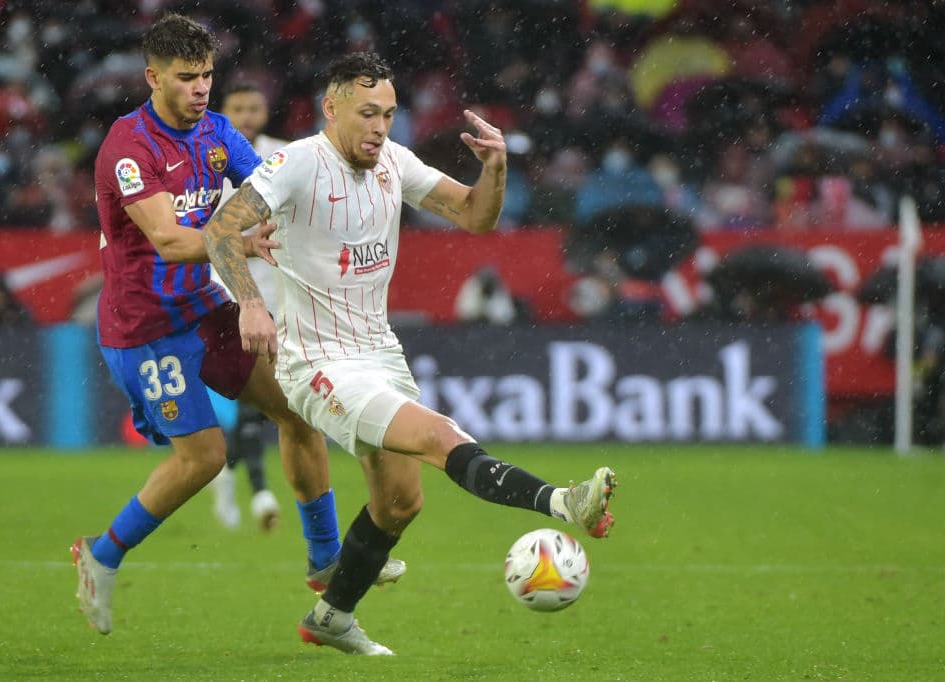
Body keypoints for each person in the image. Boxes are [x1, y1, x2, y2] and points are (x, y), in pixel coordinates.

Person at [203, 51, 618, 656]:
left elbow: (476, 216)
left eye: (390, 114)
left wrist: (495, 169)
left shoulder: (395, 162)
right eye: (367, 113)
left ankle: (331, 616)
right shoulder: (293, 165)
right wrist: (251, 304)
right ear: (332, 107)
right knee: (437, 436)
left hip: (380, 352)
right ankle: (562, 501)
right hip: (317, 363)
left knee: (400, 501)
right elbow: (219, 232)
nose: (380, 126)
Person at [72, 15, 403, 636]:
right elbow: (169, 241)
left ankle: (326, 561)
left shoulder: (219, 134)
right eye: (187, 77)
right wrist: (246, 245)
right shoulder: (130, 148)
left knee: (298, 410)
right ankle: (101, 553)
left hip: (202, 307)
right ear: (153, 77)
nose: (201, 88)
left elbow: (273, 189)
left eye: (207, 76)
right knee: (204, 458)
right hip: (144, 326)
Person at [206, 84, 290, 532]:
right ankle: (257, 491)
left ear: (265, 109)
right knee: (250, 402)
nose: (247, 114)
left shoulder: (283, 156)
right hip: (226, 295)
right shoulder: (207, 161)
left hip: (276, 294)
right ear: (225, 112)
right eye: (238, 107)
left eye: (254, 106)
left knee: (265, 404)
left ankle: (228, 476)